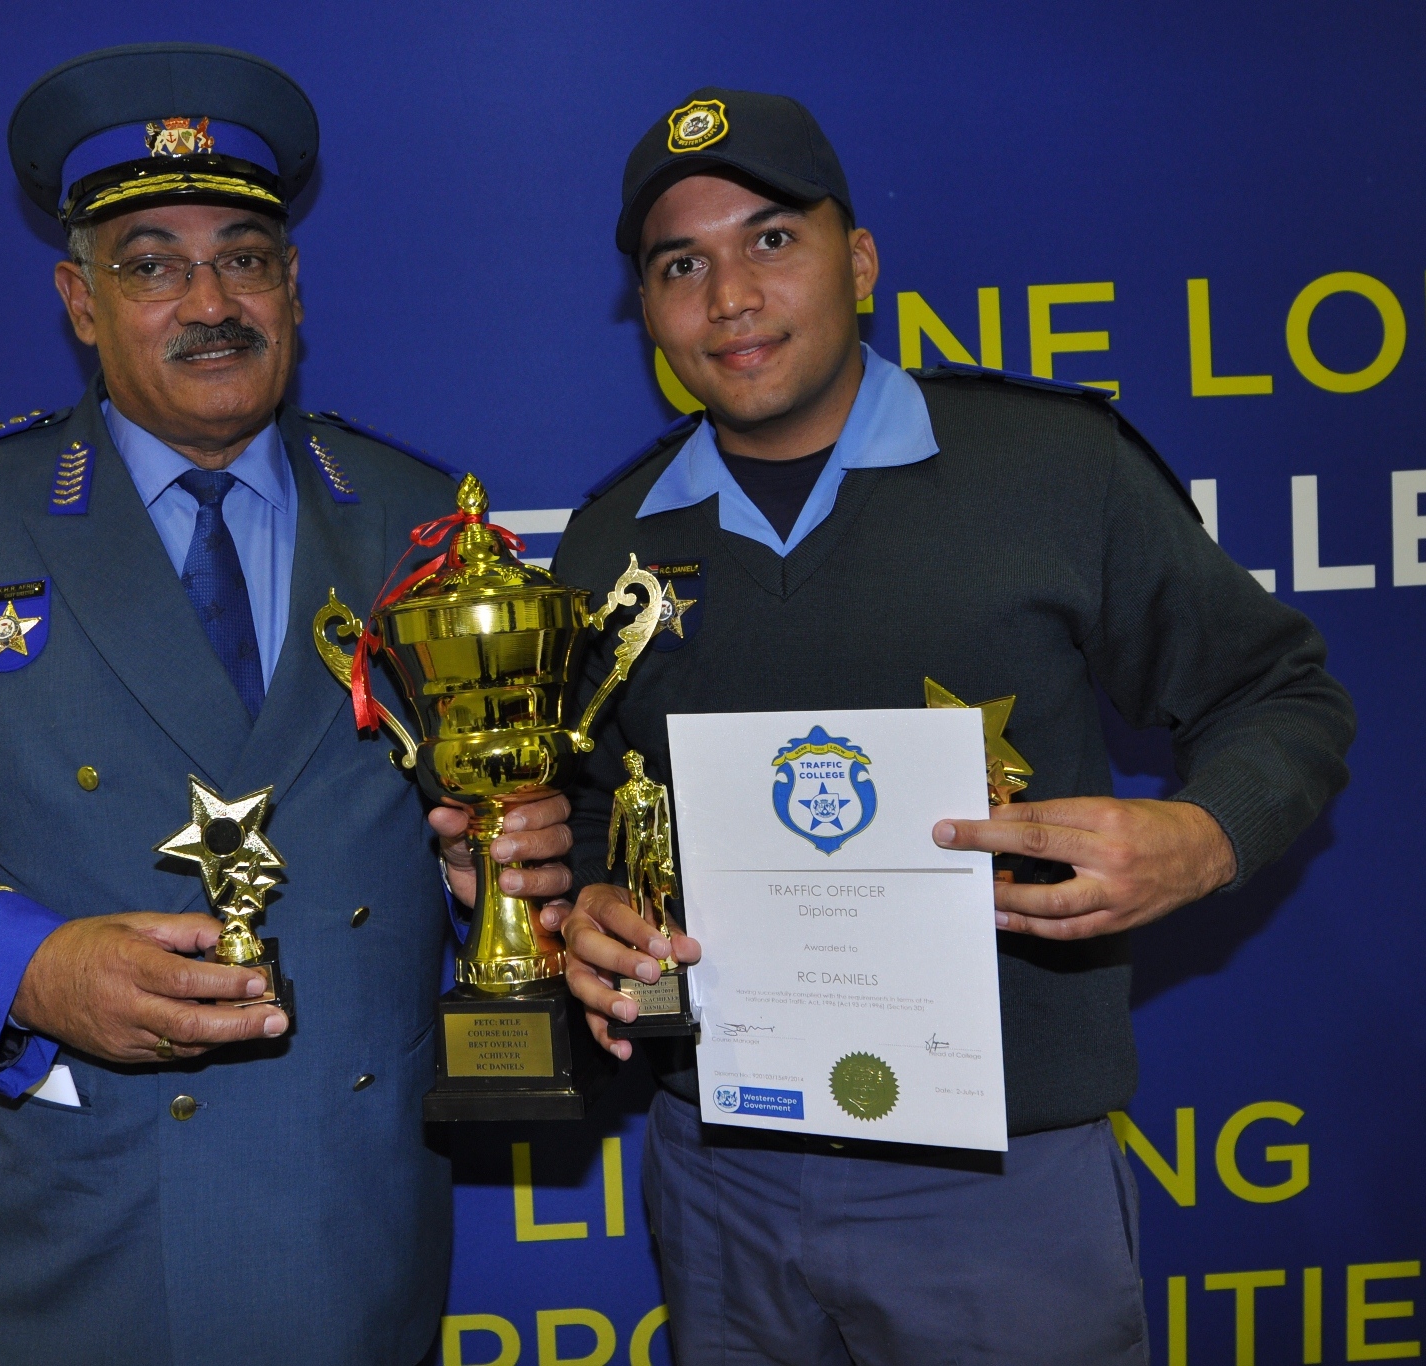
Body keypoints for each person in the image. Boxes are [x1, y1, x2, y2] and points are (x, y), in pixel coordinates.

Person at [0, 44, 570, 1366]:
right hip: (93, 1225)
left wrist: (510, 858)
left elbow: (502, 812)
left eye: (246, 255)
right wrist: (31, 965)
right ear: (80, 300)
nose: (210, 299)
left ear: (295, 285)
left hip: (354, 1213)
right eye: (150, 262)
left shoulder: (425, 520)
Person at [548, 87, 1355, 1365]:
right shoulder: (612, 538)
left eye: (770, 241)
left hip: (1000, 1173)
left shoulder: (1050, 466)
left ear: (856, 263)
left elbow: (1282, 695)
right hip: (719, 1169)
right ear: (646, 309)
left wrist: (1202, 836)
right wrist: (585, 909)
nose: (729, 298)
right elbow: (597, 803)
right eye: (679, 264)